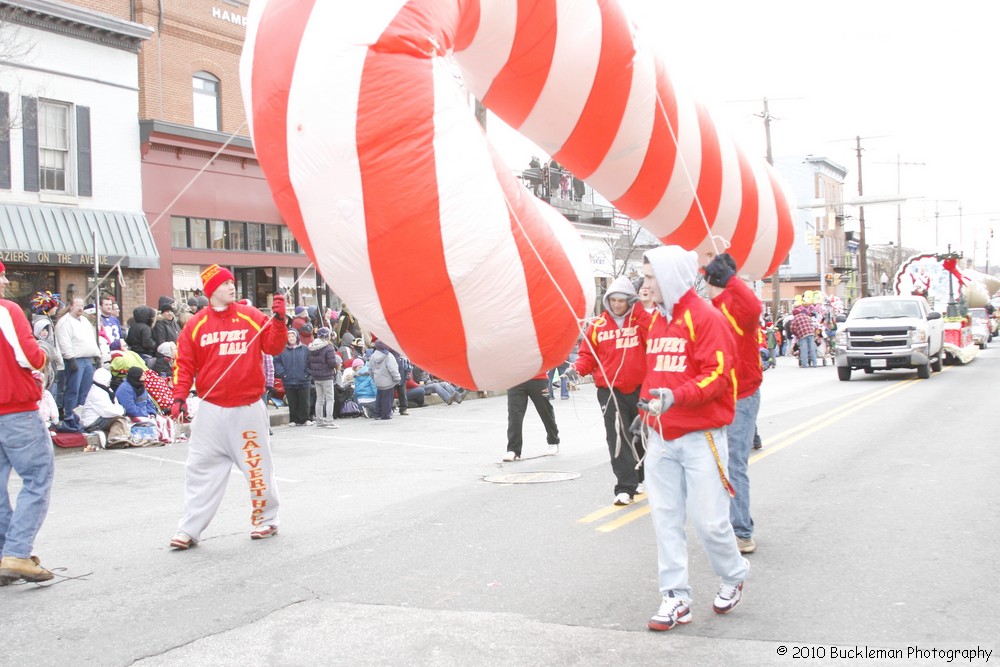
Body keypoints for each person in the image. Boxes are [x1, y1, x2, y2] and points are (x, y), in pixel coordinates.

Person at [636, 245, 749, 632]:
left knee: (711, 523)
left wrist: (676, 397)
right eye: (644, 276)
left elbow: (718, 377)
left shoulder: (706, 318)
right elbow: (653, 375)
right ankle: (675, 597)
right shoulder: (655, 322)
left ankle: (734, 575)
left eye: (651, 277)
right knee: (665, 520)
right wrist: (645, 410)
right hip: (662, 438)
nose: (645, 283)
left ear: (669, 277)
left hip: (702, 437)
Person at [168, 264, 288, 550]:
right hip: (210, 409)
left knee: (257, 467)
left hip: (248, 407)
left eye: (233, 283)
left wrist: (281, 320)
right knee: (199, 468)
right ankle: (189, 529)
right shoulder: (195, 324)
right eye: (225, 284)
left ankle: (265, 519)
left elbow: (273, 346)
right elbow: (184, 364)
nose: (232, 287)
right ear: (211, 291)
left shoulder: (251, 316)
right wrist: (178, 396)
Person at [703, 252, 763, 555]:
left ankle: (741, 531)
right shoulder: (709, 310)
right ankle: (723, 525)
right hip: (716, 398)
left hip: (742, 396)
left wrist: (731, 280)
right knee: (714, 466)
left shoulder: (738, 307)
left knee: (732, 463)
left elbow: (754, 307)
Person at [0, 260, 56, 584]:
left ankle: (6, 553)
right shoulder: (7, 310)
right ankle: (17, 553)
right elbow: (30, 356)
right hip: (15, 409)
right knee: (37, 478)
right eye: (3, 276)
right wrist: (44, 351)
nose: (6, 282)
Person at [571, 275, 650, 506]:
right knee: (617, 437)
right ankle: (625, 487)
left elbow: (653, 340)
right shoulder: (597, 325)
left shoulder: (639, 321)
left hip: (639, 388)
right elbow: (587, 356)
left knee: (639, 436)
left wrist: (639, 313)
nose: (617, 305)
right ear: (607, 300)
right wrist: (577, 369)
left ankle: (643, 475)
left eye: (622, 300)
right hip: (610, 391)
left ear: (630, 301)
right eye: (613, 300)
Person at [55, 297, 101, 432]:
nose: (80, 308)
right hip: (75, 360)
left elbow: (91, 339)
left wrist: (97, 354)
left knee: (85, 391)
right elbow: (64, 342)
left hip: (88, 359)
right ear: (70, 306)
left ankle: (82, 417)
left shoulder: (85, 321)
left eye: (82, 306)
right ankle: (70, 416)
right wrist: (70, 358)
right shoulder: (65, 322)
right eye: (77, 306)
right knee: (73, 390)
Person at [503, 371, 560, 461]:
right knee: (514, 414)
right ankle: (513, 449)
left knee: (545, 410)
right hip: (514, 379)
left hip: (538, 377)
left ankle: (553, 441)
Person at [274, 329, 311, 426]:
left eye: (292, 336)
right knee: (292, 401)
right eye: (289, 337)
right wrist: (283, 374)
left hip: (303, 379)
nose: (291, 338)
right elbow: (277, 362)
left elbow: (310, 362)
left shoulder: (304, 349)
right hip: (288, 379)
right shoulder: (282, 349)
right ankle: (294, 420)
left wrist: (307, 373)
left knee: (304, 400)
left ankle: (305, 419)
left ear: (297, 337)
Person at [307, 327, 341, 429]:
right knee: (330, 399)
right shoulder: (328, 347)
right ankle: (329, 421)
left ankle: (320, 421)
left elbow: (308, 363)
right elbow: (331, 363)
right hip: (326, 376)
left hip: (316, 376)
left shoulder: (312, 347)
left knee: (320, 399)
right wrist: (336, 366)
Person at [368, 340, 400, 420]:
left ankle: (377, 414)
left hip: (378, 381)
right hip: (388, 381)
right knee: (387, 398)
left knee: (379, 397)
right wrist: (397, 379)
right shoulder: (388, 356)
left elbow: (370, 370)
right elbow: (393, 369)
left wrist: (374, 378)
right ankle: (386, 414)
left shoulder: (373, 356)